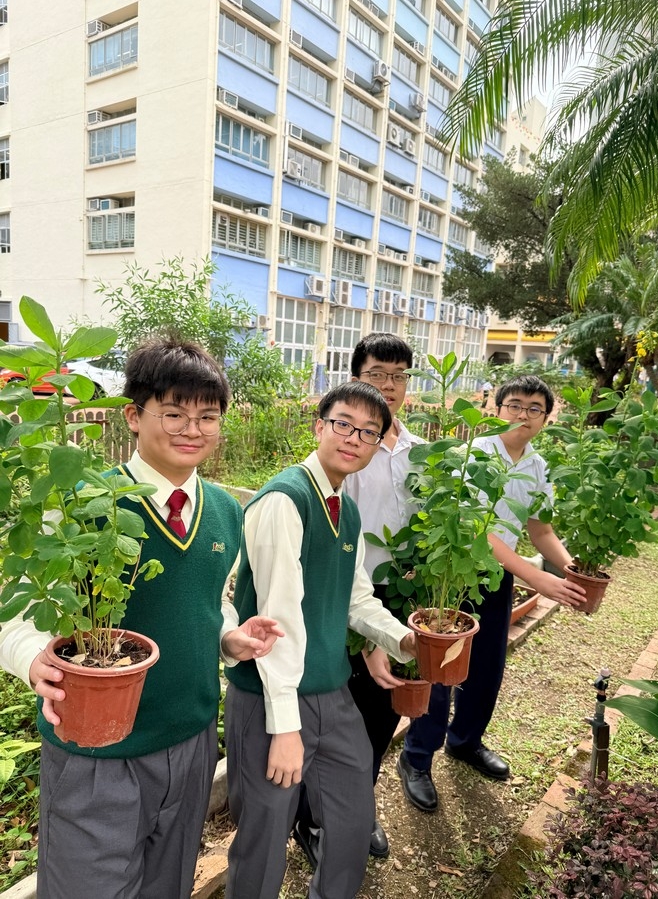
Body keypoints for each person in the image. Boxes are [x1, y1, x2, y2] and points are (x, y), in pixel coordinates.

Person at [0, 337, 283, 899]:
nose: (192, 429)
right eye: (173, 413)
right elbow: (18, 614)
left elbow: (209, 600)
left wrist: (229, 636)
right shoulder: (81, 502)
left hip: (191, 740)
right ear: (133, 415)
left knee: (168, 884)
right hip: (96, 751)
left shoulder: (225, 511)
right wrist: (32, 660)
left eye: (208, 416)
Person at [224, 380, 416, 899]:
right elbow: (278, 617)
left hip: (332, 692)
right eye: (343, 424)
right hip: (269, 697)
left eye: (369, 432)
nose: (354, 438)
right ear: (319, 427)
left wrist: (405, 641)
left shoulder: (345, 510)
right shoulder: (284, 501)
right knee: (264, 838)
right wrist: (286, 726)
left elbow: (356, 599)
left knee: (352, 821)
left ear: (377, 444)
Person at [398, 374, 587, 813]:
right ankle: (417, 758)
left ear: (546, 418)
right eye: (515, 404)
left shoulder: (537, 465)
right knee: (440, 670)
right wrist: (538, 578)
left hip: (497, 579)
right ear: (496, 409)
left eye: (535, 408)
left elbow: (540, 529)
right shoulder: (475, 454)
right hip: (453, 575)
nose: (523, 414)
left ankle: (465, 742)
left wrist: (572, 569)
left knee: (486, 667)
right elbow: (478, 531)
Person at [293, 333, 423, 863]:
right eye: (376, 375)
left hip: (396, 596)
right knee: (333, 720)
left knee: (380, 713)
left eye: (398, 376)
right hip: (340, 598)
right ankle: (313, 818)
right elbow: (328, 552)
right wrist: (365, 635)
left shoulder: (419, 452)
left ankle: (354, 807)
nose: (388, 386)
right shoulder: (343, 450)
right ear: (355, 379)